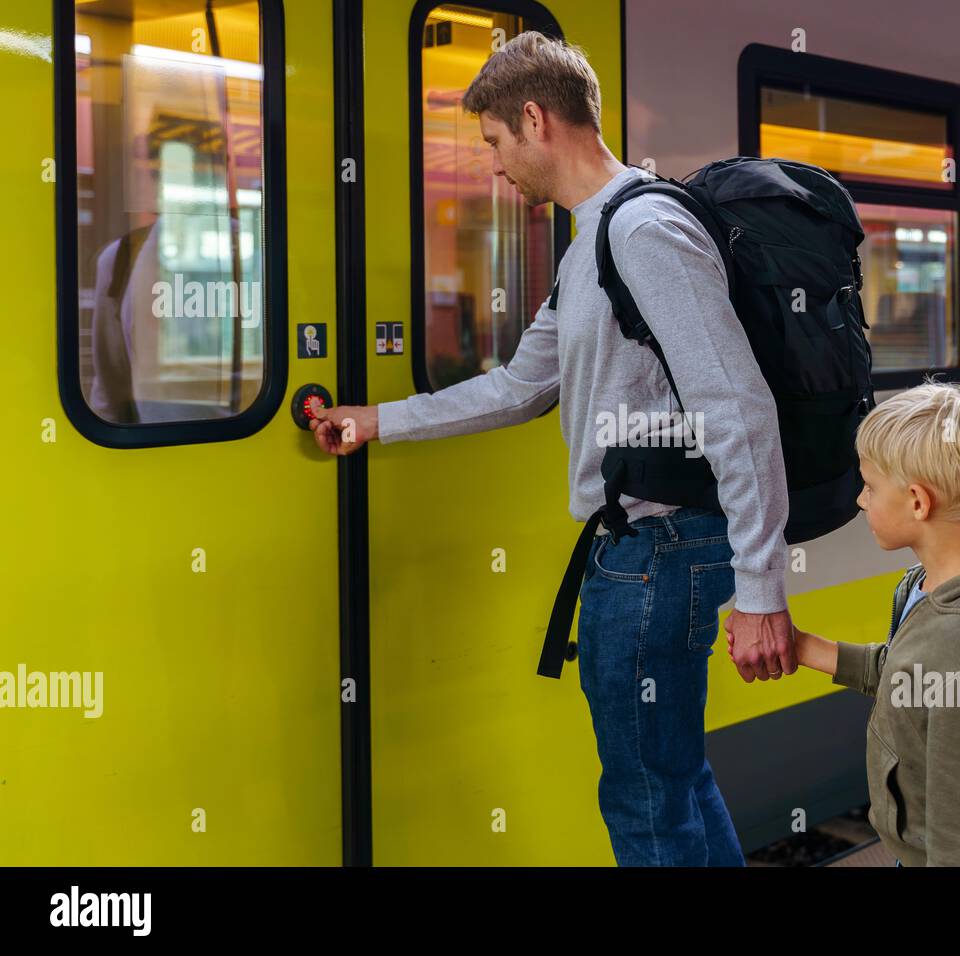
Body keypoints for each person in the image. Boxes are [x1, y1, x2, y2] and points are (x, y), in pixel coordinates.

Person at [309, 31, 794, 866]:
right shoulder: (593, 244)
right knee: (671, 781)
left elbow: (736, 405)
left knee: (646, 801)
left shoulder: (639, 232)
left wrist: (760, 586)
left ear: (534, 119)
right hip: (643, 554)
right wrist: (377, 420)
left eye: (495, 144)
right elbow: (518, 387)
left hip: (658, 555)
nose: (495, 167)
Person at [730, 381, 960, 866]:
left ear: (917, 501)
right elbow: (908, 676)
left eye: (869, 486)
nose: (862, 501)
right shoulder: (934, 588)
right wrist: (802, 646)